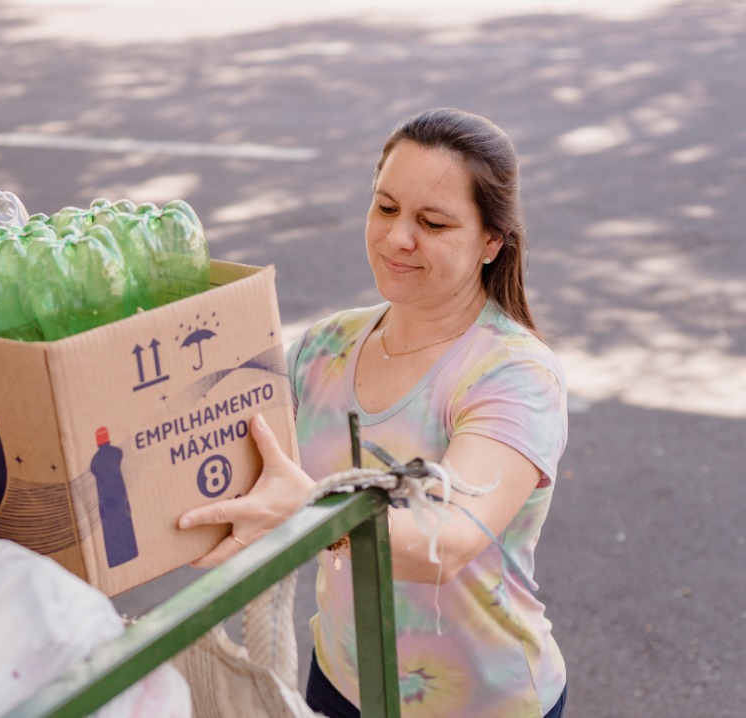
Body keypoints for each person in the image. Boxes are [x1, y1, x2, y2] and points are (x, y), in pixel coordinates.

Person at [178, 107, 569, 718]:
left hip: (483, 702)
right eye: (385, 208)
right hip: (341, 681)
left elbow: (448, 542)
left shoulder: (515, 374)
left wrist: (309, 514)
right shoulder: (322, 347)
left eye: (432, 222)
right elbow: (215, 444)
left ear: (492, 241)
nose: (397, 238)